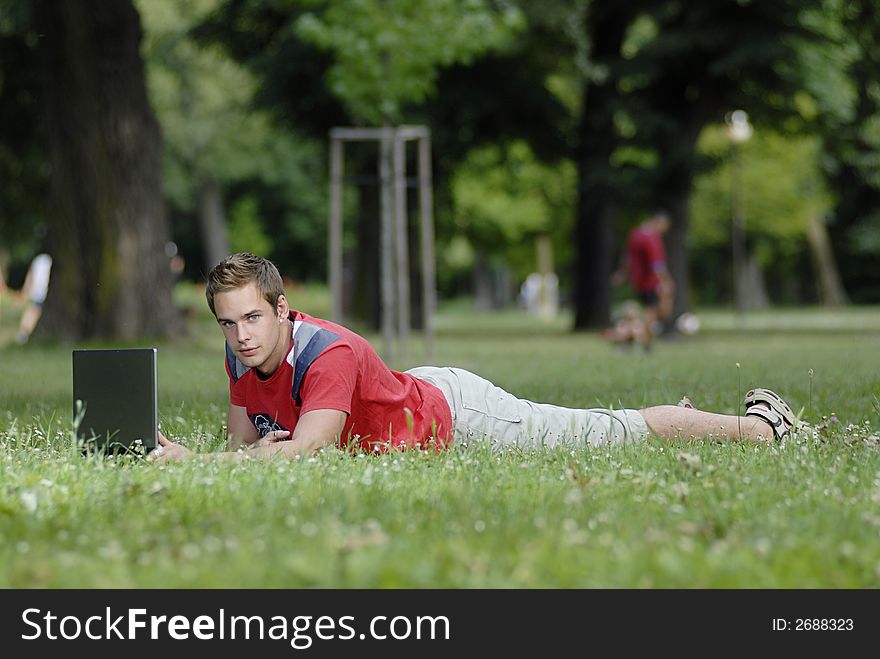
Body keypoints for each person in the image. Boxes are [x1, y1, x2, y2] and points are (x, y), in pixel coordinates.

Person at [152, 253, 803, 464]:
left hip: (457, 414)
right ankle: (696, 420)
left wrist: (191, 463)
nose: (241, 334)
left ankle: (763, 427)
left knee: (613, 430)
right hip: (413, 398)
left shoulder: (331, 352)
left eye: (253, 317)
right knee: (601, 428)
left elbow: (305, 450)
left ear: (284, 308)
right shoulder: (239, 357)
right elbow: (245, 445)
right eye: (229, 322)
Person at [613, 210, 675, 347]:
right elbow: (657, 265)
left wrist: (622, 273)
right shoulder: (652, 238)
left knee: (641, 311)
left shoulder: (635, 234)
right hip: (650, 281)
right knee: (652, 312)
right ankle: (645, 341)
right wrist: (665, 281)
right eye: (664, 228)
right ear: (659, 222)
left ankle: (632, 337)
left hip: (636, 280)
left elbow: (627, 257)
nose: (663, 232)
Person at [16, 252, 53, 345]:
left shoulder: (38, 259)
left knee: (33, 312)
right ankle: (23, 333)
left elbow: (30, 276)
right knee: (33, 312)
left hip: (38, 292)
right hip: (40, 293)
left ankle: (23, 333)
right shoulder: (43, 260)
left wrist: (25, 290)